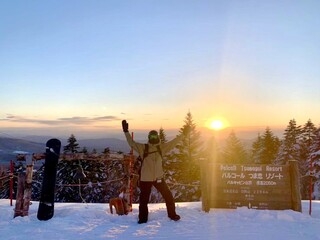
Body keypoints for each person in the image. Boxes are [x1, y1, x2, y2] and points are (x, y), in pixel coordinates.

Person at [122, 120, 182, 224]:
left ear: (157, 137)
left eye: (155, 137)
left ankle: (172, 215)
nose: (153, 139)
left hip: (158, 178)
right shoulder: (143, 148)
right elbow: (131, 143)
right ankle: (143, 219)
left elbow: (173, 143)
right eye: (152, 137)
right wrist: (126, 131)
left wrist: (184, 134)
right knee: (144, 200)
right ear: (149, 138)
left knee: (168, 196)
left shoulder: (161, 148)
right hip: (146, 178)